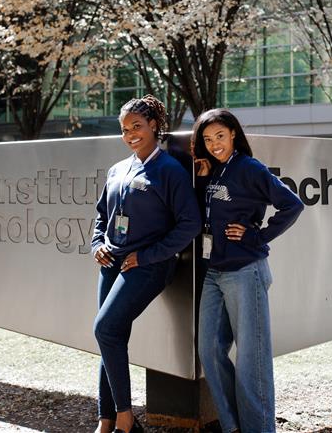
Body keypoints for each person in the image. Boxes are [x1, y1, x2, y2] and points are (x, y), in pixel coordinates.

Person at [92, 95, 201, 433]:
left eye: (137, 127)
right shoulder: (117, 169)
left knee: (105, 328)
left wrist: (151, 255)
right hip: (112, 263)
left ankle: (126, 420)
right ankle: (105, 421)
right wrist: (97, 243)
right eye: (125, 129)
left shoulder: (169, 170)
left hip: (147, 265)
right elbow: (101, 216)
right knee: (111, 336)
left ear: (154, 125)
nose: (130, 134)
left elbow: (190, 223)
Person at [192, 108, 304, 433]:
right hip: (214, 272)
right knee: (209, 350)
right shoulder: (212, 171)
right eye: (208, 139)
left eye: (220, 137)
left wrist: (257, 234)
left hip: (245, 271)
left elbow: (292, 204)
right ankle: (233, 426)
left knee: (252, 362)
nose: (215, 144)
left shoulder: (249, 168)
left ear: (234, 135)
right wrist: (200, 178)